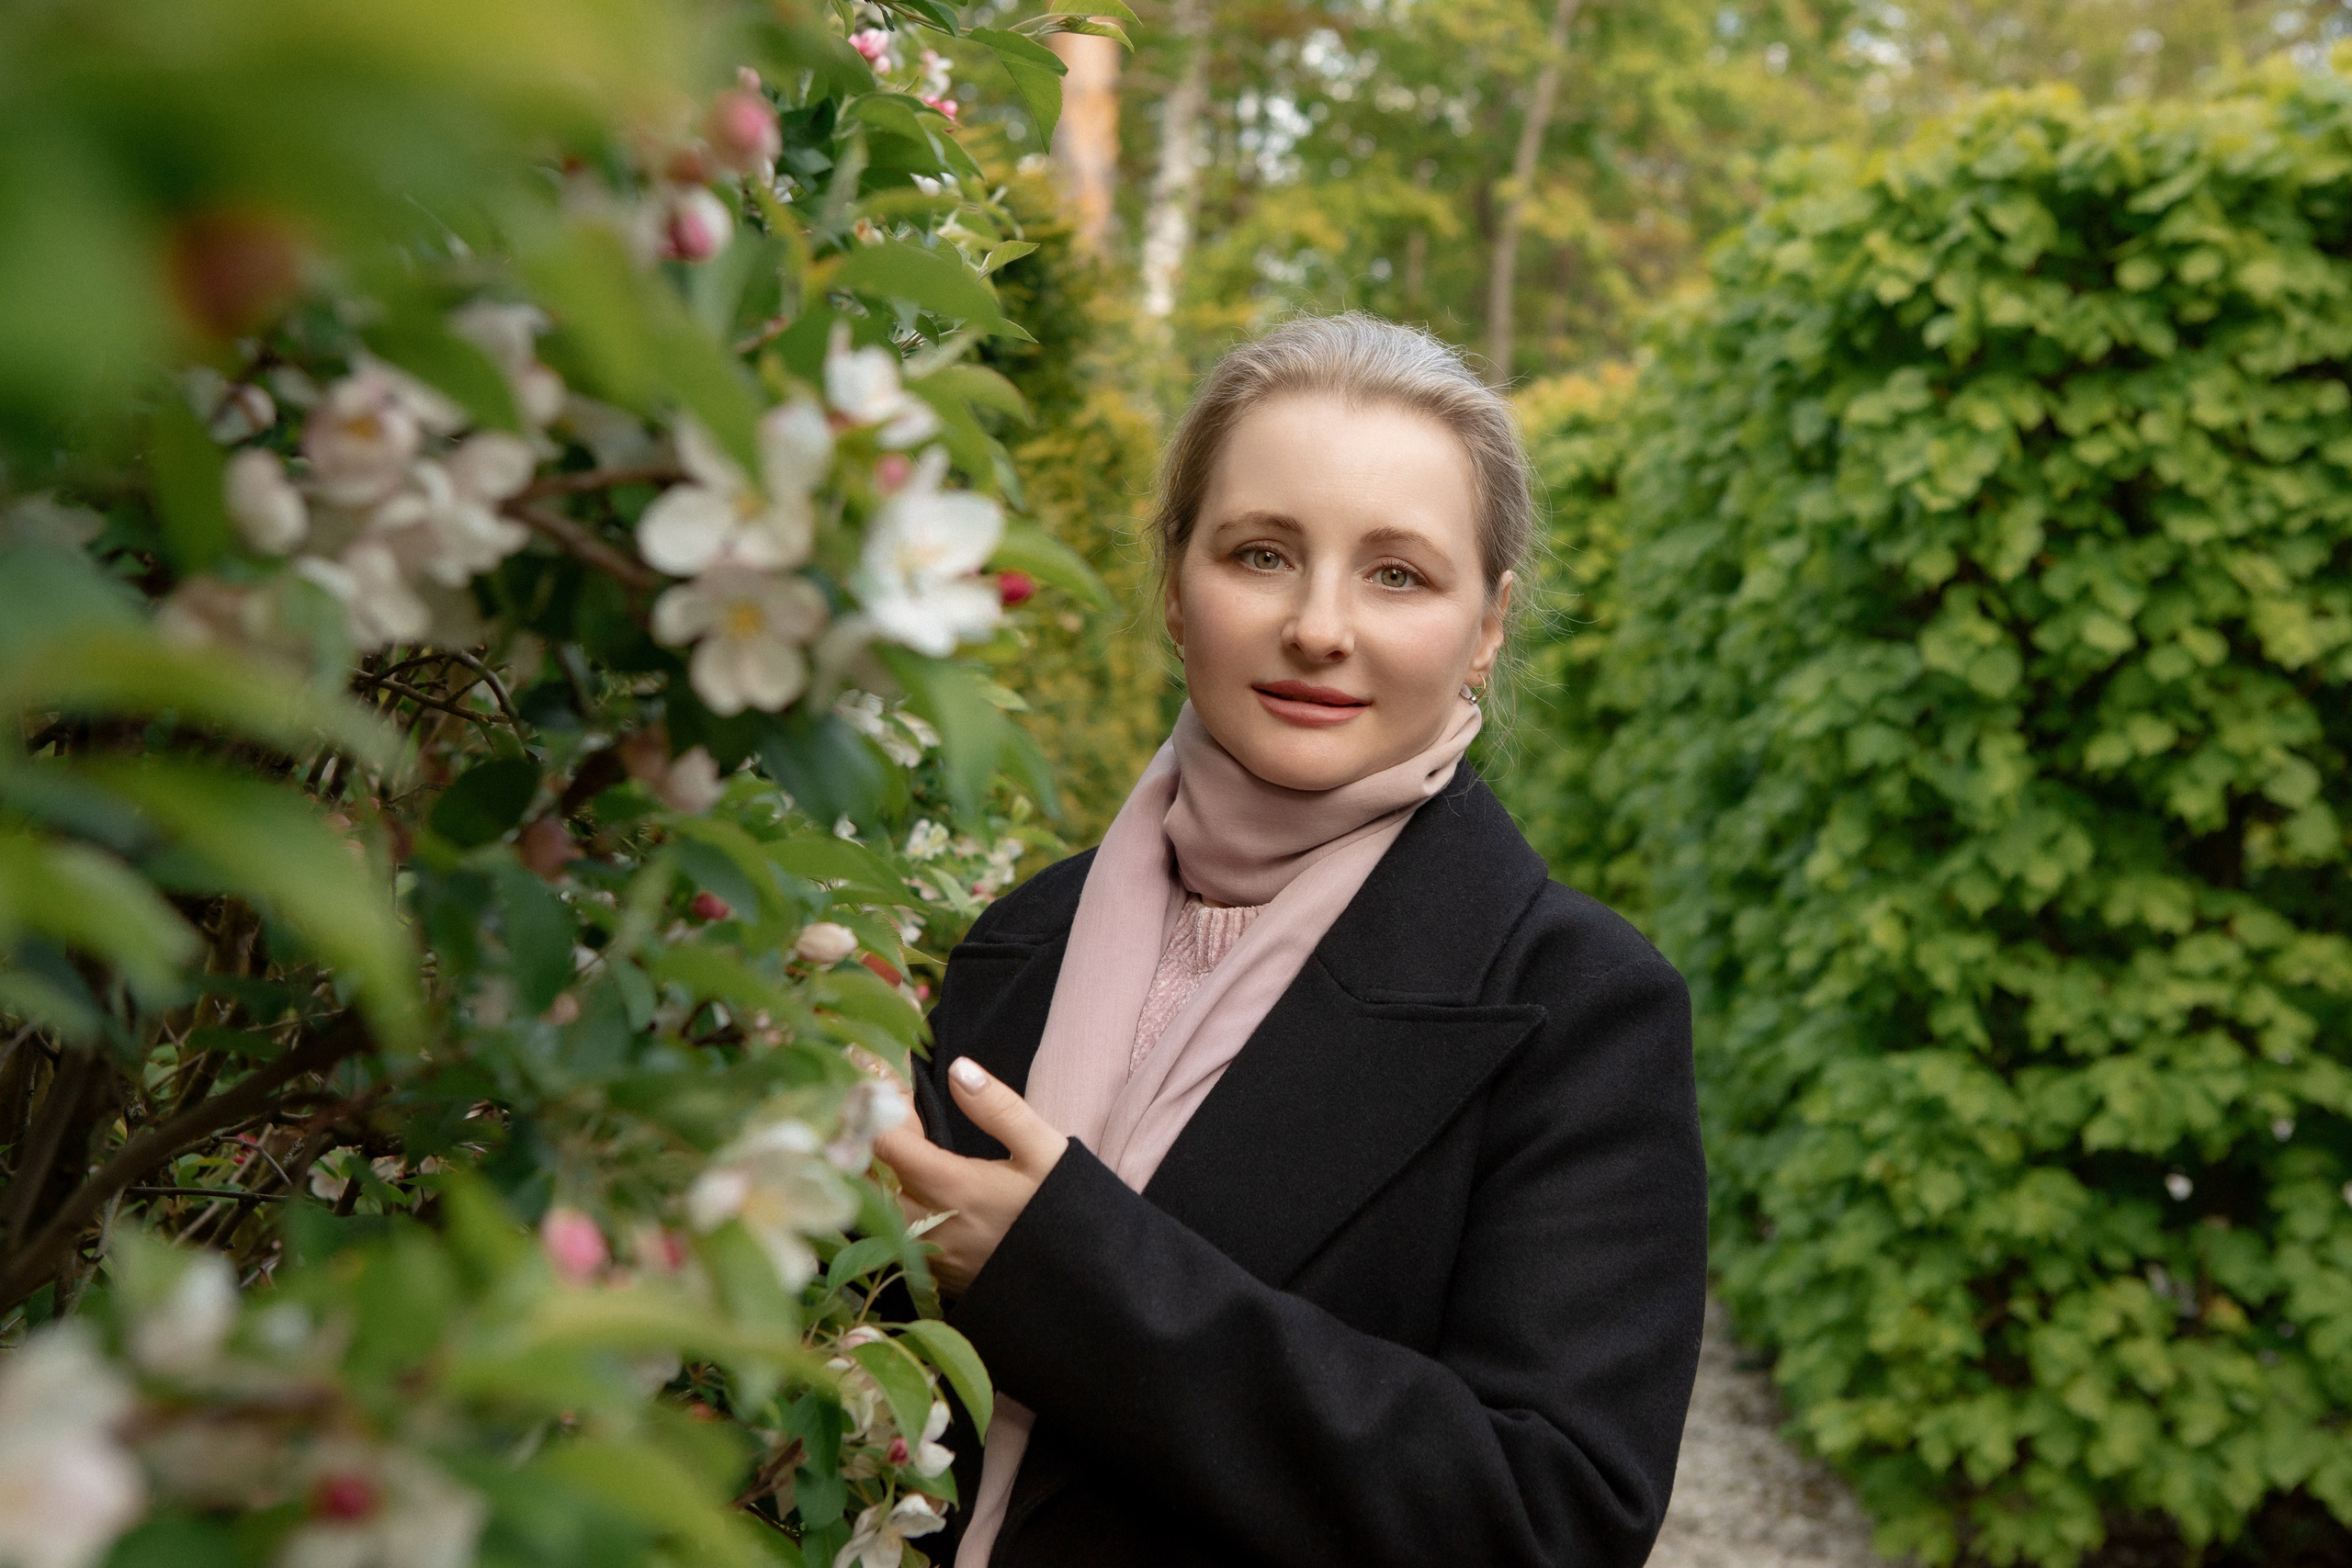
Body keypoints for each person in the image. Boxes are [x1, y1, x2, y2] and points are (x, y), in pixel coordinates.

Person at [874, 313, 1706, 1568]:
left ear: (1488, 625)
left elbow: (1553, 1521)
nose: (1321, 627)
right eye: (1261, 554)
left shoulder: (1580, 1010)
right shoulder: (1015, 942)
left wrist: (1066, 1278)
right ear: (1174, 581)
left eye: (1399, 574)